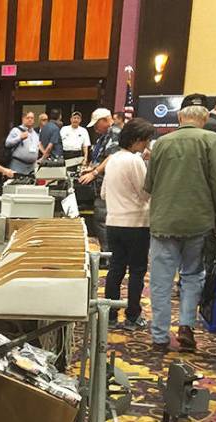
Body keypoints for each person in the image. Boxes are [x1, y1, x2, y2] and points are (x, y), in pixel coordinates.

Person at [144, 104, 216, 353]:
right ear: (204, 120)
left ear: (180, 118)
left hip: (163, 221)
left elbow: (149, 184)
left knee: (161, 281)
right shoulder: (211, 140)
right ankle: (186, 327)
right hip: (198, 221)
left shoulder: (161, 142)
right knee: (193, 275)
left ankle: (160, 337)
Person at [101, 118, 157, 330]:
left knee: (116, 268)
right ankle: (132, 316)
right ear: (136, 140)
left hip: (113, 222)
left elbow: (104, 192)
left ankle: (110, 314)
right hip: (136, 223)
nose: (146, 145)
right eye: (145, 141)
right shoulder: (134, 161)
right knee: (136, 271)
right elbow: (145, 193)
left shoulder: (113, 158)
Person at [78, 108, 122, 254]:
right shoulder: (104, 136)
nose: (96, 129)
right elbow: (101, 158)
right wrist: (91, 169)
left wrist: (94, 173)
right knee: (100, 218)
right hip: (101, 183)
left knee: (102, 218)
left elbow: (112, 157)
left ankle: (108, 254)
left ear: (104, 120)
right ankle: (107, 251)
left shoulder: (115, 133)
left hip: (109, 183)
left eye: (97, 125)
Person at [4, 110, 41, 175]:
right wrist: (20, 138)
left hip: (32, 166)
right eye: (28, 118)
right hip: (18, 164)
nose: (30, 120)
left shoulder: (35, 134)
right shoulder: (16, 130)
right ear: (23, 119)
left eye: (32, 118)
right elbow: (7, 143)